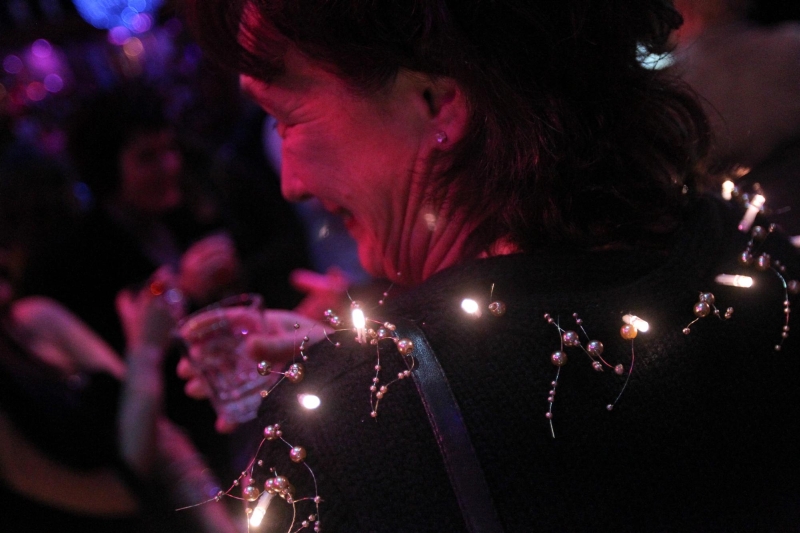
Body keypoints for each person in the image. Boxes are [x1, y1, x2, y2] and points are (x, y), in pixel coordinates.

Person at [178, 1, 800, 531]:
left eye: (288, 119)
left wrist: (351, 400)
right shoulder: (745, 249)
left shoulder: (343, 447)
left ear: (437, 102)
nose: (290, 183)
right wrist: (371, 372)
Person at [0, 144, 240, 532]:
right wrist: (145, 350)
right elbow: (123, 492)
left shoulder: (36, 319)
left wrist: (224, 521)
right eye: (147, 155)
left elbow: (165, 443)